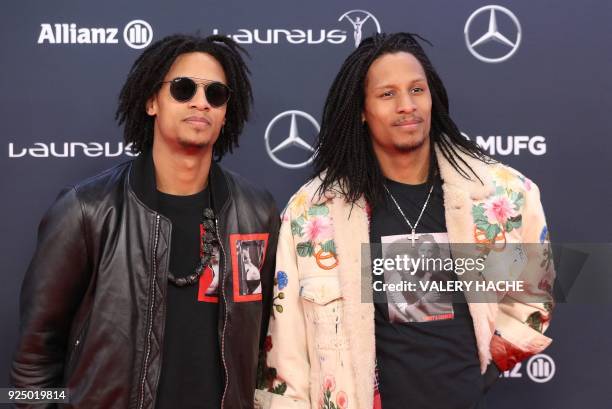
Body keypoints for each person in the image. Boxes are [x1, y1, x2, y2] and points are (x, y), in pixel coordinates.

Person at [256, 33, 554, 409]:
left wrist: (487, 366)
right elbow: (287, 348)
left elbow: (534, 293)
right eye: (387, 94)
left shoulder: (501, 195)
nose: (407, 105)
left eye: (417, 89)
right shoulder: (313, 213)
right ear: (361, 110)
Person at [11, 34, 280, 409]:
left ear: (225, 113)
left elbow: (267, 346)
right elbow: (33, 365)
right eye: (183, 89)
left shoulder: (257, 213)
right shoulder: (87, 210)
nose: (200, 102)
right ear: (152, 101)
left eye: (215, 94)